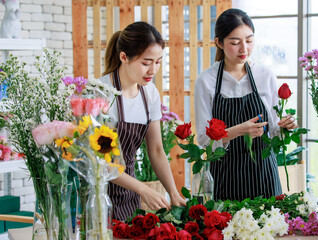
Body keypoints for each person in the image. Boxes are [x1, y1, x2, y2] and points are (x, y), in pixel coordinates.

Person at [194, 9, 297, 201]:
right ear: (219, 42)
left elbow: (274, 132)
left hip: (264, 176)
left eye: (249, 41)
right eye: (235, 43)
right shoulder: (206, 80)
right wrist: (238, 131)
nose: (244, 49)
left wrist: (286, 128)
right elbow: (203, 139)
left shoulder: (265, 76)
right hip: (225, 178)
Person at [100, 21, 186, 221]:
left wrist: (173, 192)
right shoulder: (100, 93)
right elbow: (99, 163)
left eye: (158, 62)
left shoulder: (149, 94)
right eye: (146, 63)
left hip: (130, 194)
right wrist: (143, 189)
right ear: (124, 57)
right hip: (97, 192)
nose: (153, 70)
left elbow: (156, 150)